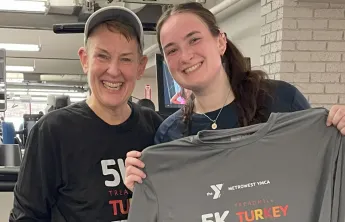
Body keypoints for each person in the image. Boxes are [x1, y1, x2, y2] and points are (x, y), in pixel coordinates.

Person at [124, 2, 345, 191]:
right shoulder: (169, 134)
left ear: (220, 42)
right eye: (172, 50)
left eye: (194, 40)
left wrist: (340, 132)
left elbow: (325, 174)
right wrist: (142, 187)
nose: (185, 56)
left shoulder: (281, 99)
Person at [9, 6, 162, 222]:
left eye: (126, 59)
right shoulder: (52, 132)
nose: (114, 70)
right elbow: (25, 217)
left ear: (140, 66)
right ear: (85, 60)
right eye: (102, 56)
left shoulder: (155, 128)